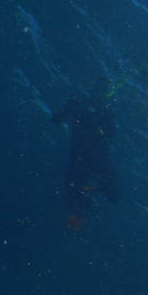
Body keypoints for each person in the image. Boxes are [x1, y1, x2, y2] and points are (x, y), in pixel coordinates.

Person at [51, 78, 120, 230]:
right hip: (92, 153)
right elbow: (111, 132)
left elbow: (56, 119)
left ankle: (85, 202)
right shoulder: (94, 106)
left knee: (79, 189)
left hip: (84, 152)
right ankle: (85, 202)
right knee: (110, 191)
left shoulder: (81, 104)